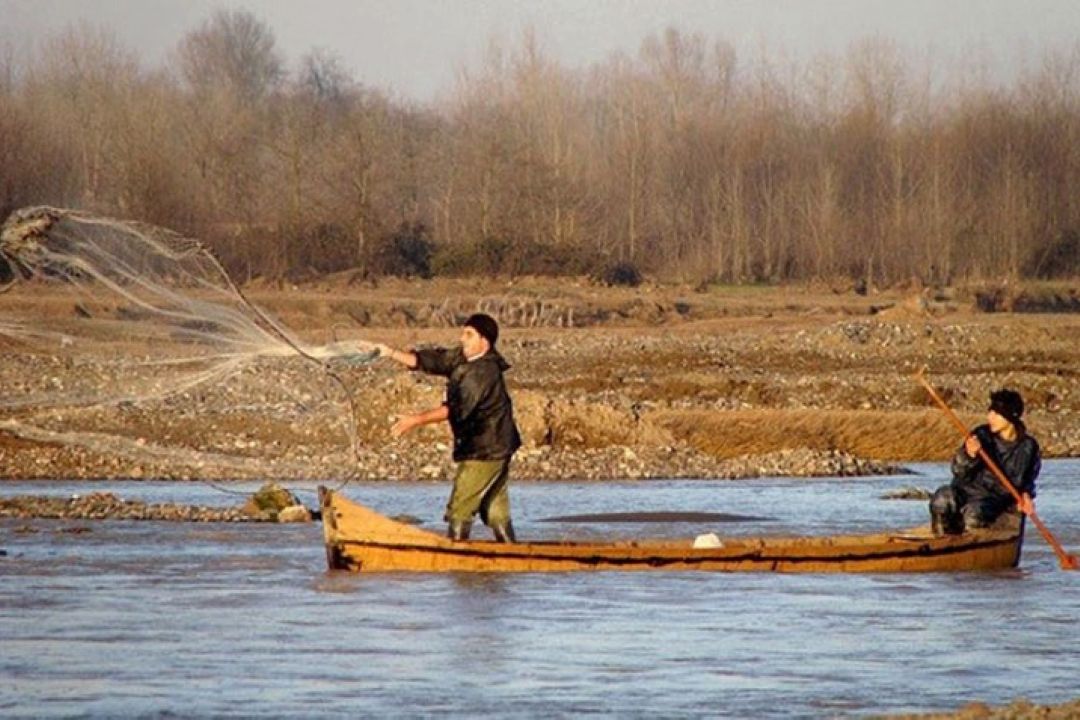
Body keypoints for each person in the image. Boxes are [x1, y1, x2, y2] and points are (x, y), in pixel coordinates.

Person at [376, 313, 522, 542]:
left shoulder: (483, 372)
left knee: (460, 505)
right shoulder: (464, 358)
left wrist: (415, 420)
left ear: (485, 342)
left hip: (486, 447)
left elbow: (456, 409)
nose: (462, 338)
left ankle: (455, 557)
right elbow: (434, 361)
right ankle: (513, 555)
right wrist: (390, 353)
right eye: (463, 333)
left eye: (469, 335)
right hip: (498, 446)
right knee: (495, 508)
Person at [929, 388, 1041, 536]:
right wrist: (969, 455)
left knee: (974, 514)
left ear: (1010, 417)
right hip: (965, 491)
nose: (990, 417)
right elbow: (958, 470)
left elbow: (1028, 479)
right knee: (941, 499)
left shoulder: (1028, 447)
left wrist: (1026, 495)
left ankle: (974, 546)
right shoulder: (981, 435)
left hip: (995, 500)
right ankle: (942, 543)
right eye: (990, 412)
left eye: (996, 414)